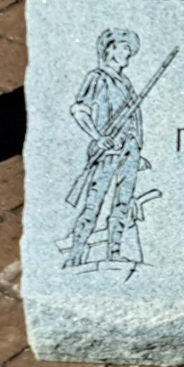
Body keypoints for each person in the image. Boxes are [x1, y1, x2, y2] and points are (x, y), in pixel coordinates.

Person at [65, 28, 147, 267]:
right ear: (110, 49)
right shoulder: (98, 77)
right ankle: (77, 252)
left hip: (129, 151)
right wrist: (98, 137)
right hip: (107, 151)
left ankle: (114, 251)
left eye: (129, 50)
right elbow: (79, 110)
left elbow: (134, 122)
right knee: (94, 203)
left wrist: (136, 150)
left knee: (123, 203)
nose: (128, 54)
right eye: (124, 48)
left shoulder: (127, 83)